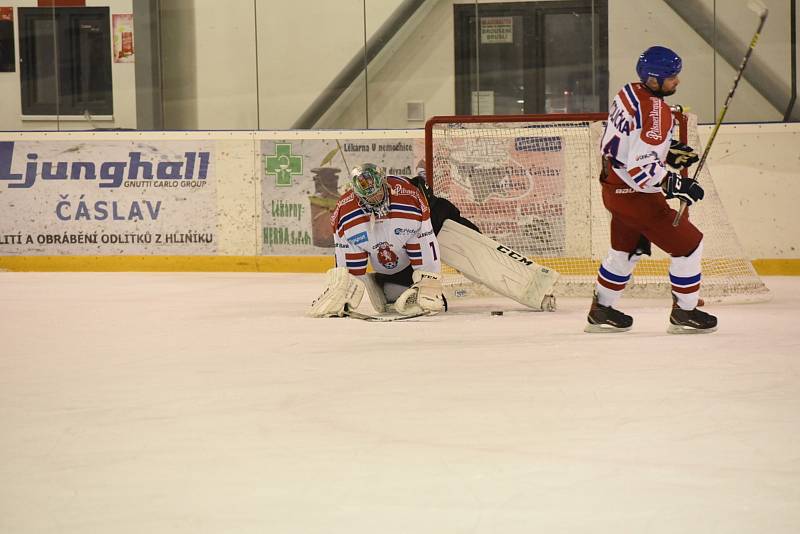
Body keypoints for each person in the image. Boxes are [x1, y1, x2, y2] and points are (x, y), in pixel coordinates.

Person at [586, 45, 717, 334]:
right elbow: (641, 171)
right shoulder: (658, 112)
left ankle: (601, 310)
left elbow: (628, 137)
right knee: (689, 245)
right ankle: (685, 313)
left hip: (612, 186)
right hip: (636, 195)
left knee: (625, 250)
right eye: (671, 77)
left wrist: (667, 150)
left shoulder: (627, 92)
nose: (677, 81)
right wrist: (674, 183)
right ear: (655, 79)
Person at [308, 163, 445, 317]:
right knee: (392, 296)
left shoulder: (410, 199)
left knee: (448, 226)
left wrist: (429, 281)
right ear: (357, 194)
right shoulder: (345, 213)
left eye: (377, 192)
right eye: (368, 196)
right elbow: (348, 258)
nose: (374, 198)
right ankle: (383, 282)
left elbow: (426, 242)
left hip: (414, 252)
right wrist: (344, 287)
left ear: (384, 183)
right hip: (387, 267)